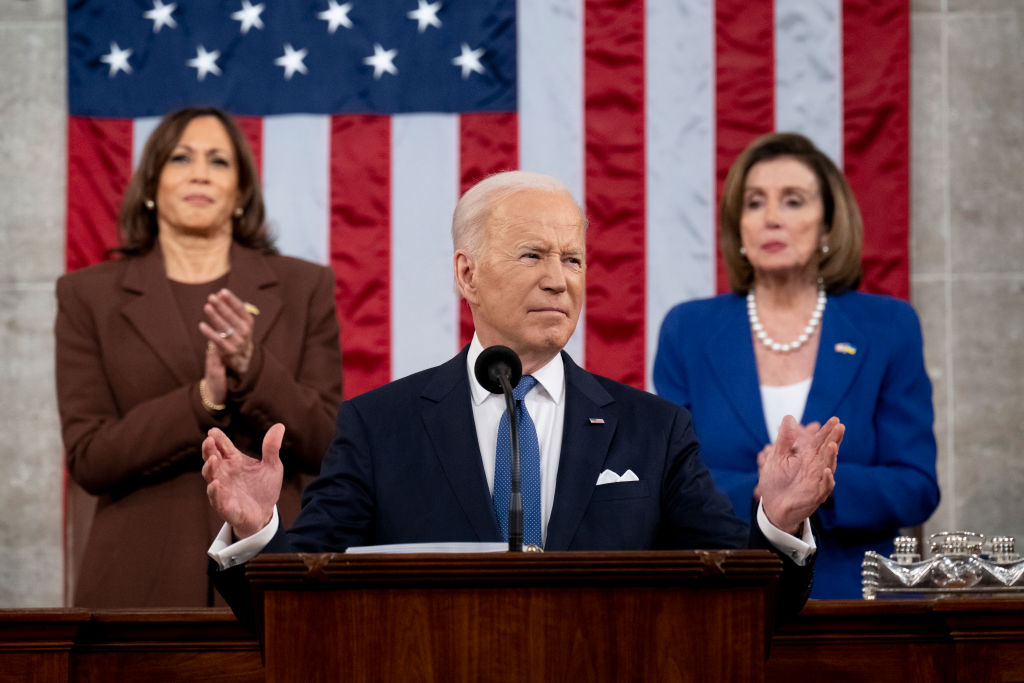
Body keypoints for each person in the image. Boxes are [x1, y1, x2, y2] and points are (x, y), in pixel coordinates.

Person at [203, 170, 843, 624]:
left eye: (573, 259)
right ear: (467, 273)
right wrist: (256, 530)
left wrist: (780, 523)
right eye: (533, 254)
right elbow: (290, 605)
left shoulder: (655, 429)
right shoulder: (381, 427)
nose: (558, 280)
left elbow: (743, 599)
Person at [55, 106, 344, 607]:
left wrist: (252, 370)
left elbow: (325, 444)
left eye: (219, 161)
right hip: (140, 581)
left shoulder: (304, 287)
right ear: (151, 184)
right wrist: (203, 400)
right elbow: (90, 458)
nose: (199, 173)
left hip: (276, 577)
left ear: (241, 192)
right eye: (180, 158)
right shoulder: (89, 296)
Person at [653, 132, 939, 599]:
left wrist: (814, 481)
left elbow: (917, 486)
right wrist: (766, 488)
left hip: (857, 603)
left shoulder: (889, 326)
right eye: (754, 203)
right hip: (723, 594)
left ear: (828, 226)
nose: (771, 219)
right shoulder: (688, 329)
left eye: (792, 201)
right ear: (738, 227)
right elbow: (669, 483)